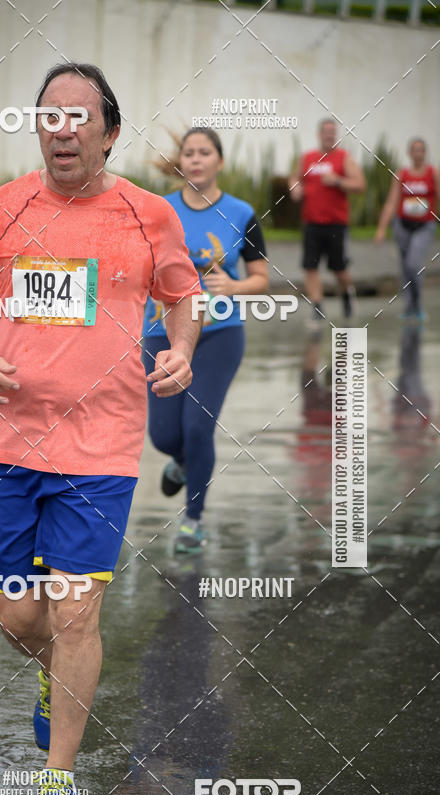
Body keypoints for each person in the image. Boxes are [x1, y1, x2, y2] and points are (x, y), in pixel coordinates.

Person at [0, 63, 201, 795]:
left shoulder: (148, 215)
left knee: (76, 611)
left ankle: (57, 785)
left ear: (109, 134)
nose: (63, 131)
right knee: (20, 614)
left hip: (102, 450)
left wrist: (181, 349)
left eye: (79, 118)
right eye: (50, 116)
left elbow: (183, 296)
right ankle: (54, 674)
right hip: (12, 445)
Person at [142, 127, 269, 553]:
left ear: (219, 161)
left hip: (219, 332)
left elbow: (261, 278)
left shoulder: (241, 213)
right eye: (189, 153)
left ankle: (192, 522)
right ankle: (182, 464)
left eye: (204, 152)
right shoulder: (159, 210)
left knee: (198, 428)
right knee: (163, 436)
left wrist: (235, 286)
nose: (196, 159)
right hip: (160, 330)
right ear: (180, 162)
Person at [289, 118, 365, 320]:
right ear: (319, 134)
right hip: (311, 223)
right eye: (326, 132)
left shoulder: (343, 158)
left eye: (333, 132)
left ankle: (347, 295)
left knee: (339, 269)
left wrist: (338, 181)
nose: (329, 136)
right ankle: (317, 306)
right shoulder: (307, 158)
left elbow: (360, 184)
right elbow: (295, 178)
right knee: (310, 267)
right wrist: (295, 188)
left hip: (336, 224)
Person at [375, 137, 438, 320]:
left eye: (421, 150)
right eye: (415, 150)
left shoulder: (433, 173)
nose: (418, 154)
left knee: (413, 263)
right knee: (404, 268)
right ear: (410, 153)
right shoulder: (402, 174)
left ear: (425, 153)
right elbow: (391, 202)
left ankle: (417, 304)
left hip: (424, 226)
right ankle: (409, 306)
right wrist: (381, 228)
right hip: (403, 225)